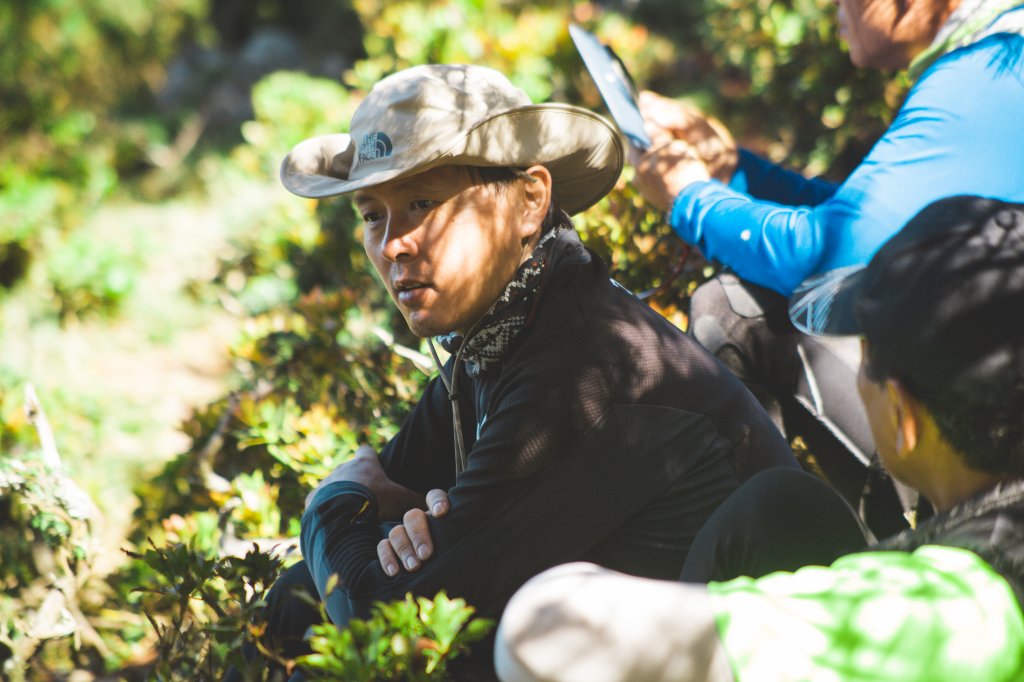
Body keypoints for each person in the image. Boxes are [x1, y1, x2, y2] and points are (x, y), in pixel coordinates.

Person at [241, 63, 798, 676]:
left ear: (530, 201)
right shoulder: (501, 334)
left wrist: (332, 503)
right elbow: (369, 564)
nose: (393, 243)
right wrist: (395, 518)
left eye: (422, 203)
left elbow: (379, 622)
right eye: (374, 215)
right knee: (295, 603)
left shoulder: (578, 367)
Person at [494, 194, 1024, 682]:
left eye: (866, 358)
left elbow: (546, 630)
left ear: (905, 416)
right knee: (781, 505)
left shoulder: (958, 607)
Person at [631, 0, 1024, 533]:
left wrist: (689, 199)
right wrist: (733, 169)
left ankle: (826, 563)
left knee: (733, 312)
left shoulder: (987, 77)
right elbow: (881, 227)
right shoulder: (997, 58)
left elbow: (835, 255)